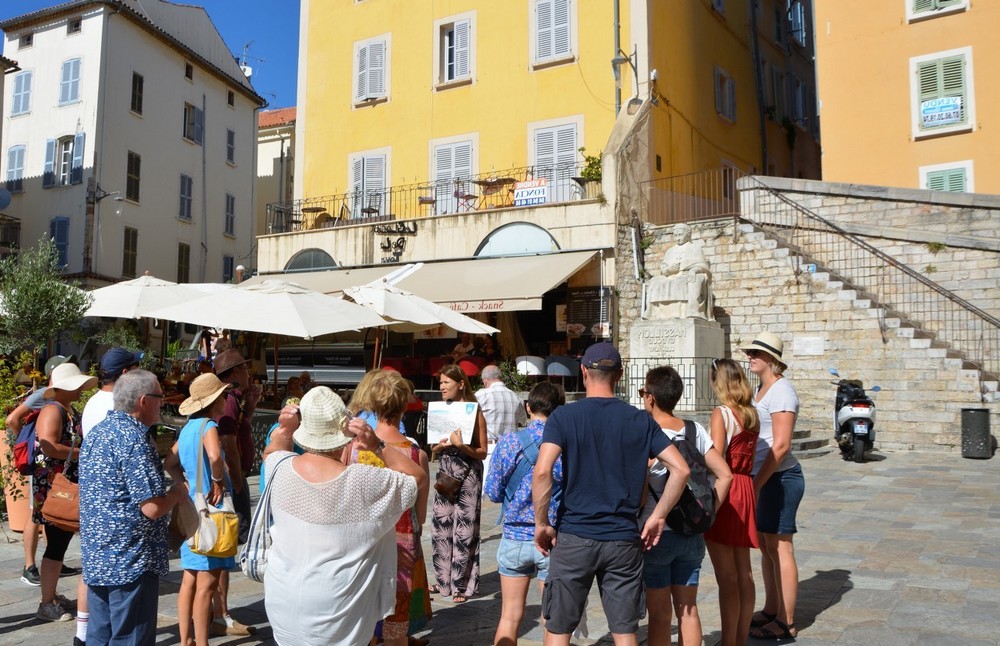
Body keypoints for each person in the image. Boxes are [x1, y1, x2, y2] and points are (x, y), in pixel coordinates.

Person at [532, 342, 691, 646]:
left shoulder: (564, 418)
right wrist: (658, 516)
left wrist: (542, 523)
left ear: (583, 372)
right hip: (622, 538)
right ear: (619, 375)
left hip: (575, 535)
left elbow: (542, 471)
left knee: (558, 629)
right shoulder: (641, 420)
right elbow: (681, 470)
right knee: (624, 631)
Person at [262, 386, 427, 645]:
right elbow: (416, 477)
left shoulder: (279, 468)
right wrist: (378, 446)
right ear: (344, 431)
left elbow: (271, 452)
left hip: (283, 605)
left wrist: (284, 429)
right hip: (339, 614)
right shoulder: (362, 481)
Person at [80, 370, 189, 646]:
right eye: (160, 398)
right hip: (130, 560)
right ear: (143, 401)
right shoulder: (134, 440)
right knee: (131, 638)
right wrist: (178, 493)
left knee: (99, 635)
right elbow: (152, 508)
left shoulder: (97, 434)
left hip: (99, 554)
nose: (162, 403)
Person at [639, 366, 732, 646]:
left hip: (656, 535)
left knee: (658, 615)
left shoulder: (646, 435)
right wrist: (708, 511)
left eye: (643, 392)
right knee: (688, 611)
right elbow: (726, 474)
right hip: (692, 533)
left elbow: (641, 494)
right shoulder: (694, 430)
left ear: (651, 398)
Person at [347, 369, 432, 646]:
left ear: (371, 403)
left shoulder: (353, 450)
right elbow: (419, 516)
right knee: (397, 626)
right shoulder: (416, 454)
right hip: (403, 549)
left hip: (362, 546)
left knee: (365, 621)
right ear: (404, 405)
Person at [484, 381, 565, 646]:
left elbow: (494, 492)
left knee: (509, 617)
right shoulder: (567, 445)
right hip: (552, 540)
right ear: (560, 410)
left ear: (528, 407)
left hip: (514, 537)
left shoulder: (508, 443)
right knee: (552, 619)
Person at [72, 347, 143, 645]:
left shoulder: (92, 403)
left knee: (93, 574)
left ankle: (84, 634)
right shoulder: (113, 407)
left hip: (96, 501)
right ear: (125, 373)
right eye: (137, 367)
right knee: (113, 591)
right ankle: (89, 635)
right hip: (113, 504)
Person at [164, 373, 236, 646]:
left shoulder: (188, 428)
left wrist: (183, 483)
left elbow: (169, 462)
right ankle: (203, 642)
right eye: (224, 395)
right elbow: (215, 456)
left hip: (191, 509)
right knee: (207, 584)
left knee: (189, 580)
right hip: (212, 510)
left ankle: (186, 640)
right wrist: (217, 481)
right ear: (215, 400)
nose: (227, 399)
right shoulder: (209, 426)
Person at [744, 332, 803, 641]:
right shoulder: (762, 389)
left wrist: (756, 483)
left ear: (772, 359)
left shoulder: (782, 391)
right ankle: (771, 609)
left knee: (781, 548)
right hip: (766, 479)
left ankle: (786, 621)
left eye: (757, 352)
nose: (750, 356)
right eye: (751, 351)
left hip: (780, 478)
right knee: (767, 547)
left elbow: (781, 445)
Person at [32, 362, 97, 622]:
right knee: (56, 545)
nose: (81, 388)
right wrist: (85, 454)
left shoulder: (64, 409)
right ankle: (46, 602)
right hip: (57, 488)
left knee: (58, 543)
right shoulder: (53, 410)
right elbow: (48, 447)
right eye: (77, 384)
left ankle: (52, 596)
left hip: (61, 485)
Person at [5, 355, 77, 589]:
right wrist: (25, 445)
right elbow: (14, 421)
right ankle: (32, 568)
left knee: (49, 525)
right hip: (49, 476)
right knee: (38, 518)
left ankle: (50, 570)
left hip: (54, 476)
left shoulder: (65, 407)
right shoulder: (50, 405)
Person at [705, 358, 761, 646]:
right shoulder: (750, 414)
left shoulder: (722, 413)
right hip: (746, 487)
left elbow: (717, 457)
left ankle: (729, 641)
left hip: (727, 490)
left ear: (720, 381)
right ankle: (740, 638)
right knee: (744, 573)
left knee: (726, 576)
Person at [430, 363, 488, 604]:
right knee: (441, 527)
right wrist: (439, 447)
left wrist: (462, 445)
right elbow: (432, 449)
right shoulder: (439, 411)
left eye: (446, 382)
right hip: (445, 472)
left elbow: (482, 451)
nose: (441, 387)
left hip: (468, 474)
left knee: (464, 529)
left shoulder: (475, 412)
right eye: (441, 382)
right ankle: (443, 581)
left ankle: (461, 585)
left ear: (460, 383)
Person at [212, 348, 260, 636]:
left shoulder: (235, 400)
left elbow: (242, 429)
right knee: (226, 546)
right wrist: (238, 480)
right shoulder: (228, 401)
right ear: (233, 374)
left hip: (235, 476)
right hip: (233, 479)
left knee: (226, 546)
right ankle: (222, 613)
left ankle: (219, 611)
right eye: (243, 368)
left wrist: (251, 404)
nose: (247, 372)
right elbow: (229, 443)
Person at [644, 222, 713, 320]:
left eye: (680, 235)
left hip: (687, 275)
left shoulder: (695, 249)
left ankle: (691, 312)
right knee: (654, 281)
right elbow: (663, 269)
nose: (677, 238)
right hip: (671, 276)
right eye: (675, 235)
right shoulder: (670, 251)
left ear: (688, 234)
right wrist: (668, 270)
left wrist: (694, 270)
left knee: (693, 280)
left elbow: (704, 266)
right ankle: (653, 313)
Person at [476, 364, 528, 480]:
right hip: (511, 450)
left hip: (488, 449)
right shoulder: (516, 397)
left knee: (486, 492)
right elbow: (522, 421)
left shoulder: (480, 395)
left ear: (484, 381)